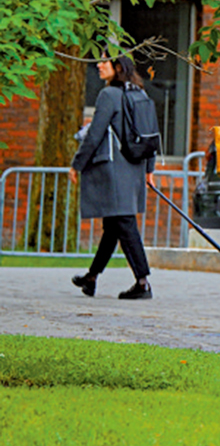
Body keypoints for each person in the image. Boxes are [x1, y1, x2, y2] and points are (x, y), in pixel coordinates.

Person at [70, 55, 155, 300]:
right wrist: (149, 169)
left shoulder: (108, 95)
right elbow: (151, 134)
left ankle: (142, 282)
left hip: (115, 170)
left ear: (118, 68)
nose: (98, 65)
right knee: (113, 225)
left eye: (104, 61)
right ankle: (92, 277)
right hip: (135, 168)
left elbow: (94, 134)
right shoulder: (140, 94)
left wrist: (77, 164)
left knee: (124, 224)